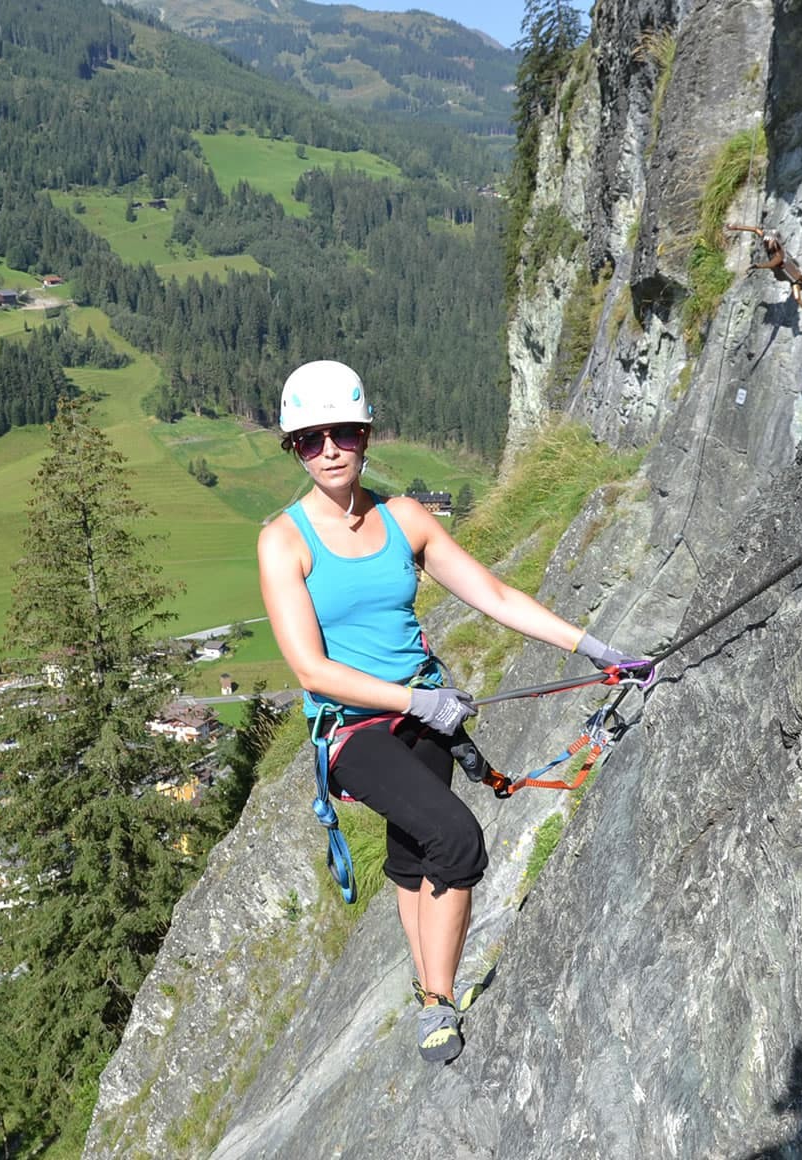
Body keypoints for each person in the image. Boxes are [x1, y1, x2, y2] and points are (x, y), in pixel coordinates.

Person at [257, 359, 648, 1064]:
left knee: (413, 855)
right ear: (294, 449)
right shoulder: (283, 541)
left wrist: (593, 646)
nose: (330, 450)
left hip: (424, 710)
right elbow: (311, 668)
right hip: (355, 728)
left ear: (366, 434)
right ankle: (437, 1000)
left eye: (342, 432)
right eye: (310, 440)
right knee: (457, 840)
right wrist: (419, 700)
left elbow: (493, 595)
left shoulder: (403, 518)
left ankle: (423, 981)